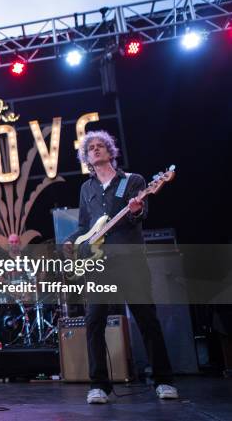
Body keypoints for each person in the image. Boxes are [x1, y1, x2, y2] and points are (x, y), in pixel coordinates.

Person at [63, 131, 178, 404]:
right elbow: (84, 225)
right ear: (86, 157)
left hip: (129, 259)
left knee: (146, 318)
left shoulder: (133, 181)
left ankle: (163, 380)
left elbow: (141, 214)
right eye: (91, 148)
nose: (96, 149)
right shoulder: (86, 188)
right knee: (94, 321)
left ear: (110, 151)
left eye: (101, 145)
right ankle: (98, 385)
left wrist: (136, 209)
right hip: (98, 264)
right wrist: (71, 241)